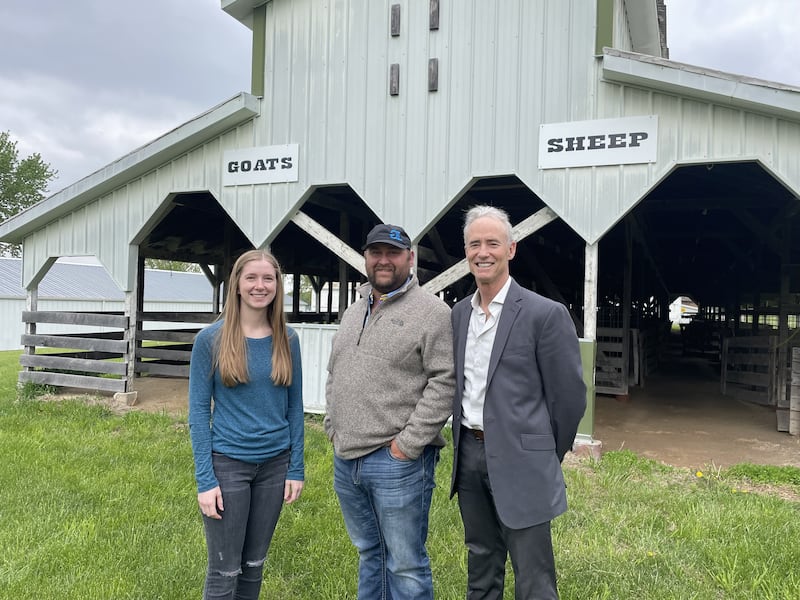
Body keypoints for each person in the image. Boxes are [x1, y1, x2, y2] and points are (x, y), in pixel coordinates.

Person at [450, 205, 586, 599]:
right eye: (474, 244)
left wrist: (543, 452)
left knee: (533, 575)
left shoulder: (545, 315)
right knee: (481, 562)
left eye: (493, 243)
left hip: (523, 460)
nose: (483, 252)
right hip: (470, 456)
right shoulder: (460, 315)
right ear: (466, 252)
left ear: (511, 249)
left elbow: (569, 400)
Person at [324, 223, 455, 600]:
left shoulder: (432, 312)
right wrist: (333, 424)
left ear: (409, 259)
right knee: (369, 553)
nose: (383, 260)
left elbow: (444, 381)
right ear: (365, 258)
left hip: (397, 462)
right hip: (347, 459)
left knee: (405, 563)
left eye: (393, 253)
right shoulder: (353, 311)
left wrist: (407, 446)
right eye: (375, 252)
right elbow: (336, 370)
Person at [188, 249, 304, 600]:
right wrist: (206, 480)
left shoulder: (288, 339)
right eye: (251, 278)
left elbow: (294, 407)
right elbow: (197, 413)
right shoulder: (210, 340)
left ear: (277, 286)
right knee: (224, 572)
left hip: (275, 466)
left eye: (268, 278)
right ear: (236, 284)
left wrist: (295, 468)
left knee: (254, 566)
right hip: (228, 467)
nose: (260, 285)